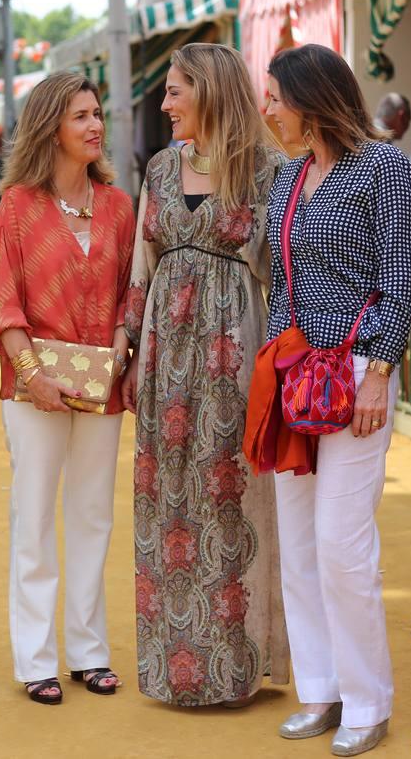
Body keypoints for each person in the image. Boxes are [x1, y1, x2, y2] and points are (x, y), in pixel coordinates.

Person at [122, 43, 290, 708]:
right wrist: (129, 350)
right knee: (168, 502)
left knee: (234, 497)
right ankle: (176, 667)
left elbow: (286, 276)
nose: (164, 104)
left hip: (236, 351)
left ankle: (238, 666)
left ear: (211, 91)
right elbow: (142, 264)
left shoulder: (269, 168)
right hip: (166, 357)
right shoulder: (161, 167)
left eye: (174, 91)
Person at [261, 44, 411, 756]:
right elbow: (280, 287)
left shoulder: (383, 165)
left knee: (341, 545)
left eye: (273, 96)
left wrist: (381, 369)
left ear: (309, 97)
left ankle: (367, 700)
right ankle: (319, 690)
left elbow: (400, 274)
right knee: (296, 543)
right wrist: (274, 366)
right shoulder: (288, 178)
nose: (266, 109)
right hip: (298, 375)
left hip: (358, 372)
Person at [0, 72, 135, 706]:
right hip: (35, 384)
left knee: (94, 514)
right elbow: (0, 297)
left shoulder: (120, 205)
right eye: (81, 117)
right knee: (35, 516)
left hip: (103, 380)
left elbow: (132, 284)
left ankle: (89, 651)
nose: (95, 126)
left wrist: (124, 336)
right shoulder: (17, 205)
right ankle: (36, 658)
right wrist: (33, 374)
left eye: (98, 114)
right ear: (52, 127)